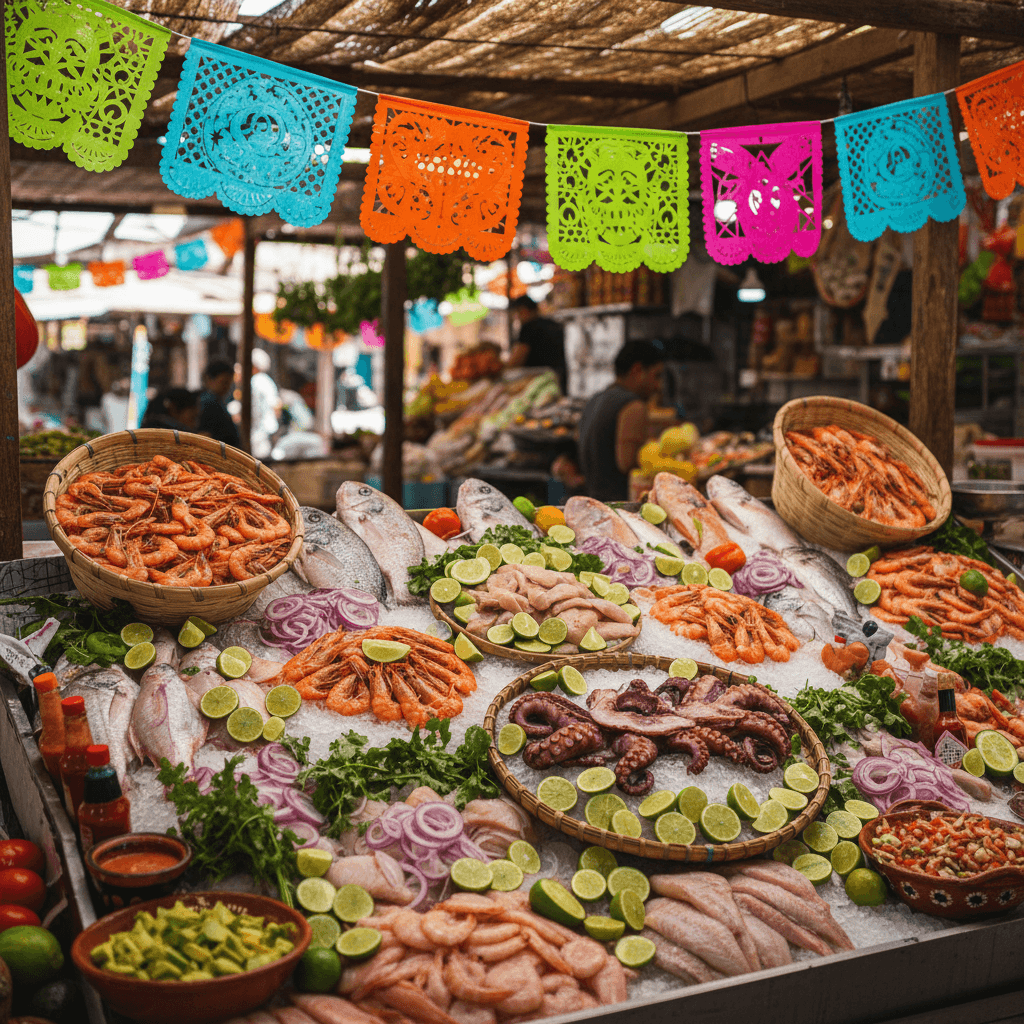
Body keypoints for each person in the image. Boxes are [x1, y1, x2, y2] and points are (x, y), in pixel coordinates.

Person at [577, 339, 665, 501]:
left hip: (595, 501)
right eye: (656, 376)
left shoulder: (594, 400)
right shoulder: (633, 405)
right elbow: (627, 464)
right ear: (637, 370)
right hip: (621, 507)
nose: (658, 386)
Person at [507, 295, 566, 392]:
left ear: (524, 310)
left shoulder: (528, 328)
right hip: (561, 379)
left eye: (517, 313)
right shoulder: (553, 323)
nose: (517, 318)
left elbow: (517, 359)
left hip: (540, 383)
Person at [197, 359, 241, 448]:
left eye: (229, 383)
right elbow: (205, 434)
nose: (227, 387)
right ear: (209, 379)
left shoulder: (217, 401)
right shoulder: (209, 402)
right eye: (224, 382)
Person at [250, 348, 281, 459]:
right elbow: (276, 406)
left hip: (260, 431)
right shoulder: (267, 381)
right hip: (267, 429)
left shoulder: (256, 381)